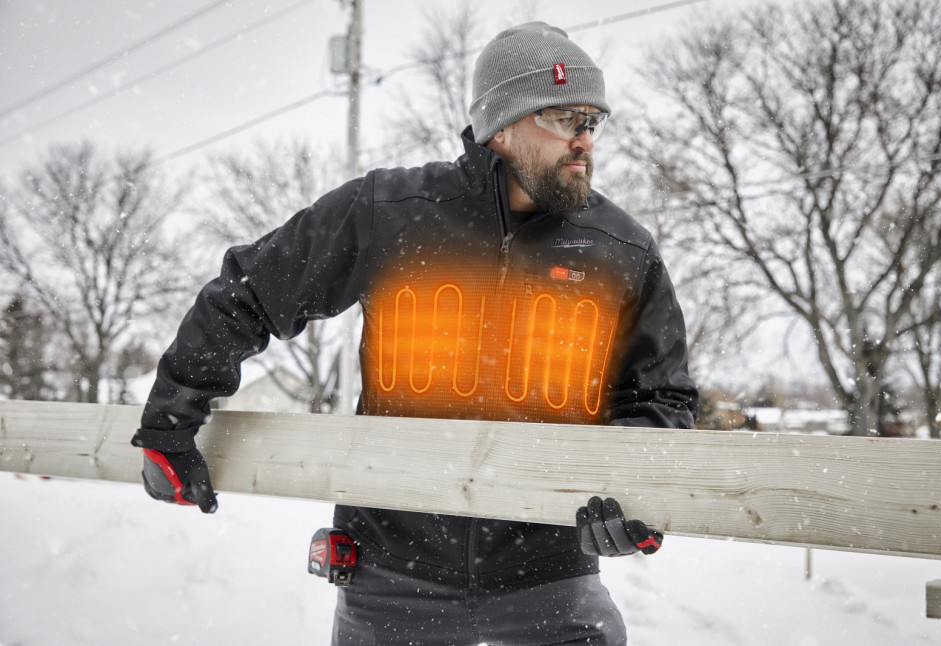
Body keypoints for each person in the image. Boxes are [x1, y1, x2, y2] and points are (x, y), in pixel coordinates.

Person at [131, 21, 698, 645]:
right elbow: (249, 293)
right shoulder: (390, 213)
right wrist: (171, 420)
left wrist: (639, 493)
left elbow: (660, 401)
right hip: (391, 583)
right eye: (566, 118)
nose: (585, 140)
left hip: (552, 586)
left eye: (593, 122)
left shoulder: (622, 249)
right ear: (501, 125)